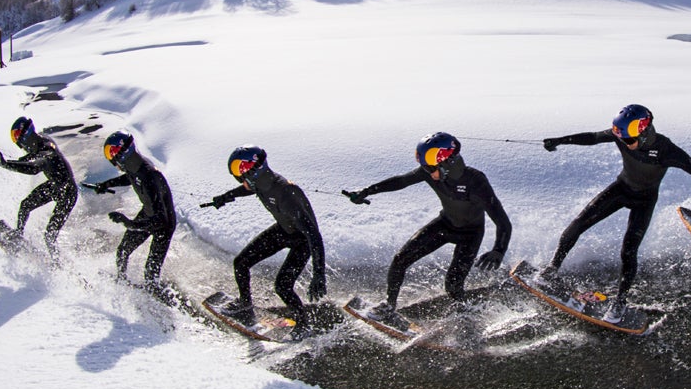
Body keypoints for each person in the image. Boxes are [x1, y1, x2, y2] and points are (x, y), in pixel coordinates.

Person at [541, 104, 691, 322]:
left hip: (644, 201)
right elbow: (592, 137)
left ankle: (619, 304)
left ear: (646, 132)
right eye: (622, 140)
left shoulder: (666, 150)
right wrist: (560, 140)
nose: (626, 144)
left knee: (628, 251)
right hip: (620, 188)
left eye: (630, 140)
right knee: (579, 223)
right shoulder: (623, 135)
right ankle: (552, 269)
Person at [343, 132, 511, 322]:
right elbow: (401, 181)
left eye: (431, 167)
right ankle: (389, 306)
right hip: (445, 224)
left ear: (448, 163)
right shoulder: (431, 172)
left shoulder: (476, 181)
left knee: (453, 285)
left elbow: (502, 221)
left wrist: (498, 250)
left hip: (470, 235)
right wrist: (366, 191)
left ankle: (467, 315)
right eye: (425, 167)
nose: (429, 173)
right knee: (400, 260)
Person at [200, 146, 326, 332]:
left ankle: (303, 324)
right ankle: (244, 304)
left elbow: (314, 235)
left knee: (283, 286)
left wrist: (319, 274)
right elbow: (250, 189)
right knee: (241, 263)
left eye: (239, 169)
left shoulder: (286, 193)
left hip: (303, 242)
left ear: (254, 168)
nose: (238, 175)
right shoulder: (261, 181)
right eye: (235, 170)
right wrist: (226, 197)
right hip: (284, 230)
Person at [86, 131, 176, 290]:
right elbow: (130, 177)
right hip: (148, 213)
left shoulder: (149, 175)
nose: (111, 158)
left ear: (121, 152)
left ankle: (160, 298)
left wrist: (128, 222)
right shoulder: (134, 166)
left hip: (164, 224)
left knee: (150, 274)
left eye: (111, 152)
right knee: (122, 251)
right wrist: (106, 184)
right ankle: (122, 283)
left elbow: (159, 220)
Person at [0, 116, 77, 255]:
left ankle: (57, 265)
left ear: (27, 134)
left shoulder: (47, 150)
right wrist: (8, 162)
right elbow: (28, 160)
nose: (18, 143)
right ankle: (18, 235)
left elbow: (33, 168)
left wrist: (6, 164)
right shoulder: (39, 142)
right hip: (54, 186)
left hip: (68, 191)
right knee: (25, 205)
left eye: (17, 137)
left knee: (50, 235)